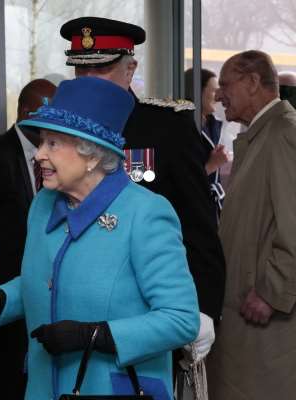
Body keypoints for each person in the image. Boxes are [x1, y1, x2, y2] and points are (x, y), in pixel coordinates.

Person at [0, 76, 200, 400]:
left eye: (53, 144)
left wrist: (97, 335)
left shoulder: (145, 214)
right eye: (41, 141)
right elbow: (48, 278)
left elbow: (182, 320)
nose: (39, 155)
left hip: (116, 388)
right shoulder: (43, 205)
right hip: (45, 388)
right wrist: (3, 299)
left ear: (91, 156)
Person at [57, 18, 221, 360]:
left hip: (145, 316)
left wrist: (201, 312)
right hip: (72, 313)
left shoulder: (164, 128)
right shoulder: (60, 131)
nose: (88, 82)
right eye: (80, 72)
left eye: (100, 70)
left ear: (129, 70)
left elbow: (198, 225)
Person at [207, 50, 296, 400]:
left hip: (265, 319)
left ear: (254, 82)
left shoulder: (284, 134)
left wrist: (273, 292)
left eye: (226, 84)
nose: (217, 95)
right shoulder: (263, 134)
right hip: (247, 315)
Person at [0, 78, 57, 400]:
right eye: (45, 111)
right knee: (5, 384)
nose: (52, 120)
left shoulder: (58, 160)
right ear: (24, 111)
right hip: (5, 298)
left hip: (43, 300)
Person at [185, 68, 229, 221]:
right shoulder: (184, 128)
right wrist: (212, 165)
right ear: (197, 92)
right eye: (213, 91)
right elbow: (182, 180)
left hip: (212, 205)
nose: (218, 97)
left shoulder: (212, 125)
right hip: (193, 209)